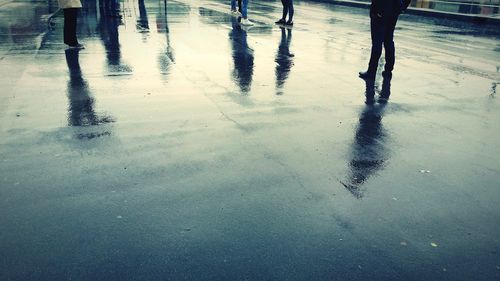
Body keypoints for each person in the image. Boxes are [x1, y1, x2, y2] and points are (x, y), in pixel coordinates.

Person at [359, 0, 411, 80]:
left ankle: (371, 72)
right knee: (389, 40)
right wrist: (402, 7)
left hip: (380, 11)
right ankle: (388, 70)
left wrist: (377, 10)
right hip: (394, 10)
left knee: (377, 41)